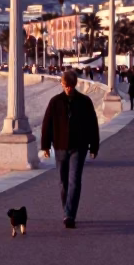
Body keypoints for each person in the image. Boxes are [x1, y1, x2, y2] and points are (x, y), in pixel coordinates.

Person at [39, 70, 100, 228]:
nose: (68, 89)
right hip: (59, 146)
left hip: (79, 147)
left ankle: (69, 214)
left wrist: (94, 146)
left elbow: (92, 125)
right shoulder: (55, 102)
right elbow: (47, 124)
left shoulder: (85, 101)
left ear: (75, 85)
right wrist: (45, 146)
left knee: (74, 181)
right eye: (66, 86)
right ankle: (67, 209)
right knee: (63, 182)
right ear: (62, 84)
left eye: (71, 86)